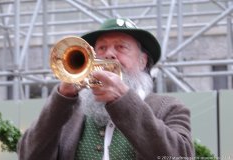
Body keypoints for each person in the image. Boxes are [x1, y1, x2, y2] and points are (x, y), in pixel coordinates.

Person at [17, 18, 195, 160]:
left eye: (121, 47)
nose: (109, 54)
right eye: (101, 48)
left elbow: (180, 156)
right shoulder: (70, 111)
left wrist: (123, 100)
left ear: (142, 61)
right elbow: (28, 155)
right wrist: (62, 99)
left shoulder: (170, 108)